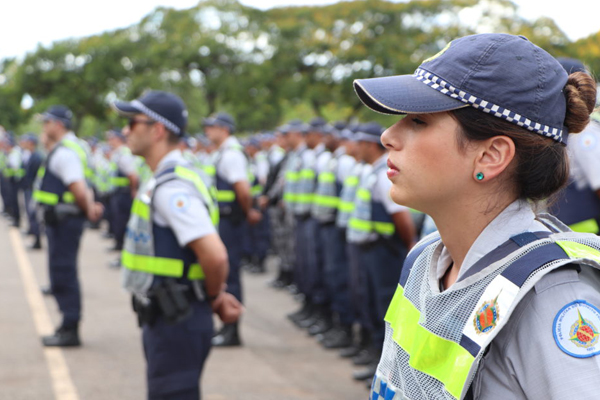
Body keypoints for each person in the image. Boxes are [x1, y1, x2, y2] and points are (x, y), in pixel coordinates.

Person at [353, 33, 600, 399]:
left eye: (419, 121)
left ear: (490, 155)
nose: (389, 135)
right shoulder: (425, 258)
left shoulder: (550, 299)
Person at [114, 90, 242, 400]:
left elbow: (214, 255)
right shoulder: (167, 176)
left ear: (157, 130)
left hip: (177, 317)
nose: (125, 130)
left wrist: (214, 296)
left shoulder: (172, 187)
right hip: (172, 314)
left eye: (133, 123)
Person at [34, 105, 103, 346]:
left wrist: (88, 209)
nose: (44, 127)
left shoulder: (65, 152)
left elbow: (77, 187)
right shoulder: (73, 147)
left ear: (58, 124)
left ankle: (70, 327)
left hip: (64, 221)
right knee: (63, 269)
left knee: (63, 271)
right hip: (64, 220)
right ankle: (68, 323)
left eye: (47, 122)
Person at [204, 112, 260, 347]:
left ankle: (232, 330)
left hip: (230, 221)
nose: (207, 131)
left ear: (224, 129)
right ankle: (227, 328)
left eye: (212, 127)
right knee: (228, 273)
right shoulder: (223, 153)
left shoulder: (231, 155)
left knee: (231, 275)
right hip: (224, 220)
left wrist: (246, 213)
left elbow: (243, 189)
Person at [551, 58, 600, 235]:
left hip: (564, 224)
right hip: (589, 225)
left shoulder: (553, 127)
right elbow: (598, 180)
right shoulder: (583, 130)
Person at [106, 127, 139, 266]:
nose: (109, 141)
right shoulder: (119, 153)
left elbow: (132, 175)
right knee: (119, 224)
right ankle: (121, 252)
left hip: (124, 194)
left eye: (112, 138)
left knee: (123, 225)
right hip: (120, 193)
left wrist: (133, 190)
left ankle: (124, 257)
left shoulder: (123, 154)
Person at [20, 133, 44, 249]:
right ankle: (34, 236)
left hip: (33, 190)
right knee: (31, 215)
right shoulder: (30, 155)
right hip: (29, 189)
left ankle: (37, 241)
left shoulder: (36, 157)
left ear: (31, 143)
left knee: (33, 215)